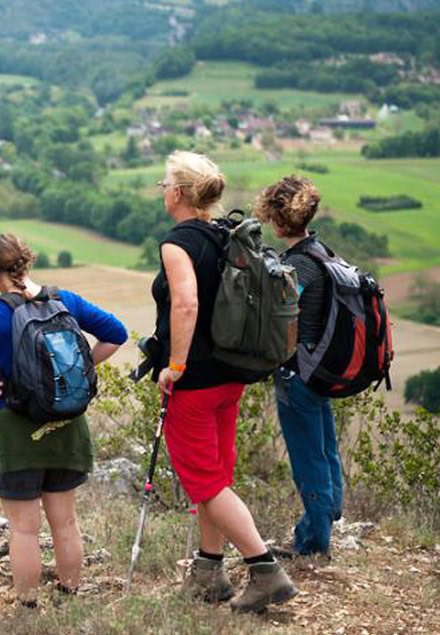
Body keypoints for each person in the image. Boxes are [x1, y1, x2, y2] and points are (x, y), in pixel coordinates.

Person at [0, 234, 127, 609]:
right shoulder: (64, 300)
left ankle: (29, 607)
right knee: (65, 523)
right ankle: (70, 595)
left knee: (24, 529)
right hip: (67, 426)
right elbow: (116, 333)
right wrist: (78, 370)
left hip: (16, 431)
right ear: (26, 263)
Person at [152, 150, 298, 612]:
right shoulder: (226, 235)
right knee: (213, 477)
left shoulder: (179, 242)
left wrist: (174, 366)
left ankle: (265, 569)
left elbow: (187, 304)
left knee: (206, 483)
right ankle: (209, 570)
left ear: (178, 192)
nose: (162, 191)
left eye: (164, 184)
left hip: (193, 382)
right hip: (230, 375)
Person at [253, 175, 343, 559]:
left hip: (297, 373)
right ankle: (328, 514)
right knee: (325, 448)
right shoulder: (322, 251)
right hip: (321, 368)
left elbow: (281, 312)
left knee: (307, 457)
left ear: (276, 218)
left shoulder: (296, 266)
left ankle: (313, 540)